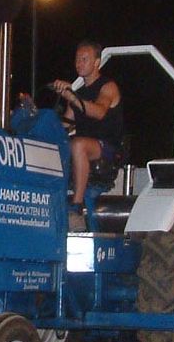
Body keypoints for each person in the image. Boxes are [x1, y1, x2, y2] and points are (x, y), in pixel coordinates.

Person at [51, 40, 123, 230]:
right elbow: (65, 125)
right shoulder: (79, 93)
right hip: (85, 145)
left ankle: (77, 206)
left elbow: (99, 112)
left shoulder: (107, 86)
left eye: (84, 59)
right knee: (59, 144)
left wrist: (72, 96)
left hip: (107, 149)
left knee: (78, 144)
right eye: (77, 59)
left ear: (97, 62)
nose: (79, 63)